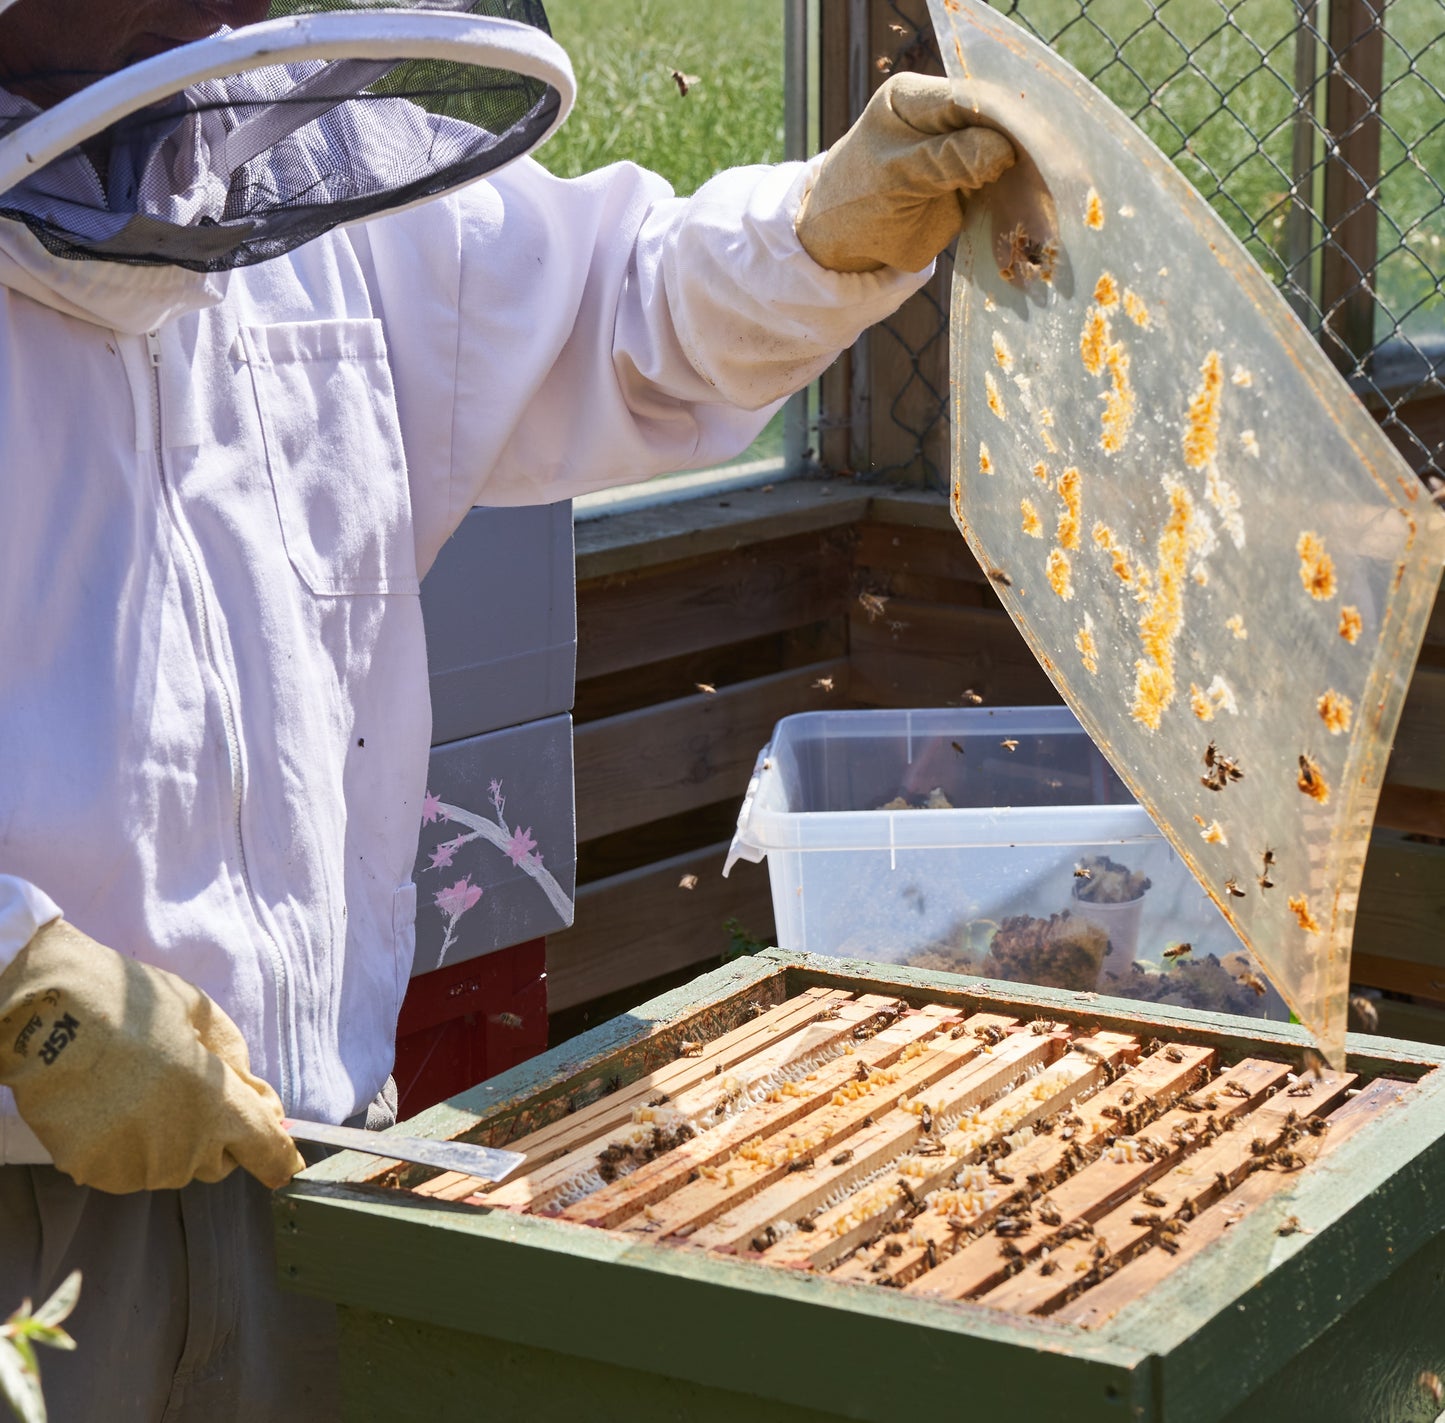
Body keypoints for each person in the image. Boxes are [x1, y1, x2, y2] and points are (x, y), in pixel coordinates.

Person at [0, 1, 1014, 1416]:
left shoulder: (315, 172)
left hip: (305, 1152)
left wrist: (816, 230)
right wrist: (12, 977)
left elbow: (628, 311)